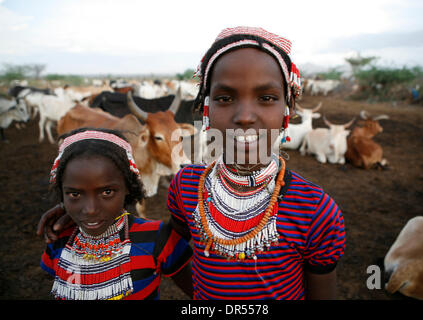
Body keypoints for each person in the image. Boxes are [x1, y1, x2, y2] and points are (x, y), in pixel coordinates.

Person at [38, 26, 345, 300]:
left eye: (266, 98)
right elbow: (165, 241)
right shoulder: (186, 186)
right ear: (205, 110)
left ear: (287, 109)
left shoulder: (316, 209)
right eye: (225, 98)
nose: (246, 116)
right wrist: (80, 212)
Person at [40, 127, 193, 300]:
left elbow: (201, 293)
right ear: (61, 192)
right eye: (75, 194)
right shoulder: (59, 239)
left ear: (128, 185)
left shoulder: (157, 238)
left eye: (107, 192)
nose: (90, 209)